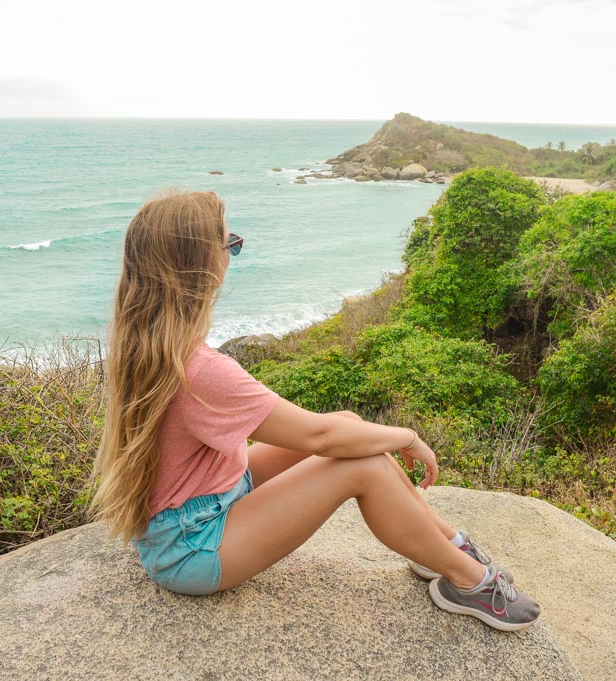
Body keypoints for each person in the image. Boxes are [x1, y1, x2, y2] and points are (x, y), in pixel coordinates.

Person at [90, 190, 540, 631]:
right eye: (231, 243)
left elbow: (330, 431)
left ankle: (445, 546)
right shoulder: (200, 369)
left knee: (350, 425)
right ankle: (468, 581)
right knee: (363, 466)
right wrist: (406, 437)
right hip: (193, 548)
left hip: (200, 502)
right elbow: (318, 439)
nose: (232, 253)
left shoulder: (147, 340)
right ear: (201, 264)